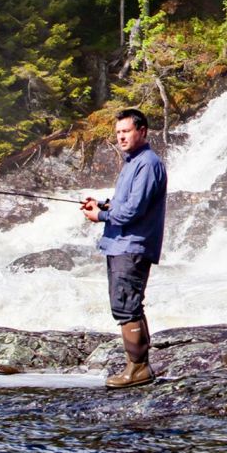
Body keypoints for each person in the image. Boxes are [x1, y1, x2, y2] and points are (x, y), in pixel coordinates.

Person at [82, 107, 167, 389]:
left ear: (142, 131)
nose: (121, 137)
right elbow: (126, 203)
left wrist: (102, 216)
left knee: (126, 306)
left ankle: (138, 369)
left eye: (126, 131)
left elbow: (134, 210)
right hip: (121, 244)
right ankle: (137, 367)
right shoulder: (133, 162)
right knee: (126, 305)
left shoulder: (147, 163)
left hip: (132, 245)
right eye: (118, 132)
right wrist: (104, 204)